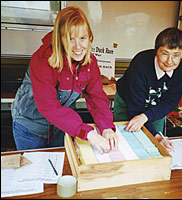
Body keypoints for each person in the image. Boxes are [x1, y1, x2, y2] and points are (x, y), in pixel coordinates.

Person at [11, 6, 118, 153]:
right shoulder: (42, 59)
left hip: (62, 126)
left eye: (82, 38)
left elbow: (97, 98)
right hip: (31, 127)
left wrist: (106, 127)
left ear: (89, 37)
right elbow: (49, 107)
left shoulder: (89, 62)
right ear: (60, 39)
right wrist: (88, 133)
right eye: (70, 39)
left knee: (61, 168)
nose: (78, 46)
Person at [114, 27, 182, 151]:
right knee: (125, 141)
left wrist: (157, 136)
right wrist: (148, 125)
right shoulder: (140, 64)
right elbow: (135, 109)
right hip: (128, 102)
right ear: (156, 51)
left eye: (176, 55)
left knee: (153, 144)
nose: (170, 61)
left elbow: (171, 101)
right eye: (165, 53)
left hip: (157, 106)